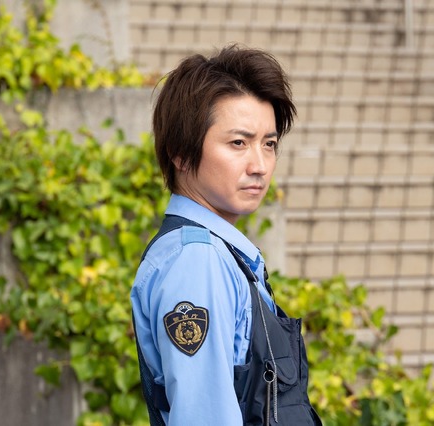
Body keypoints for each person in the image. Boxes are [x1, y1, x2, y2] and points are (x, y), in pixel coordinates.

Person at [130, 44, 322, 426]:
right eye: (238, 143)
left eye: (269, 144)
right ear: (180, 153)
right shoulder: (196, 261)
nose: (260, 165)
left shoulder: (218, 254)